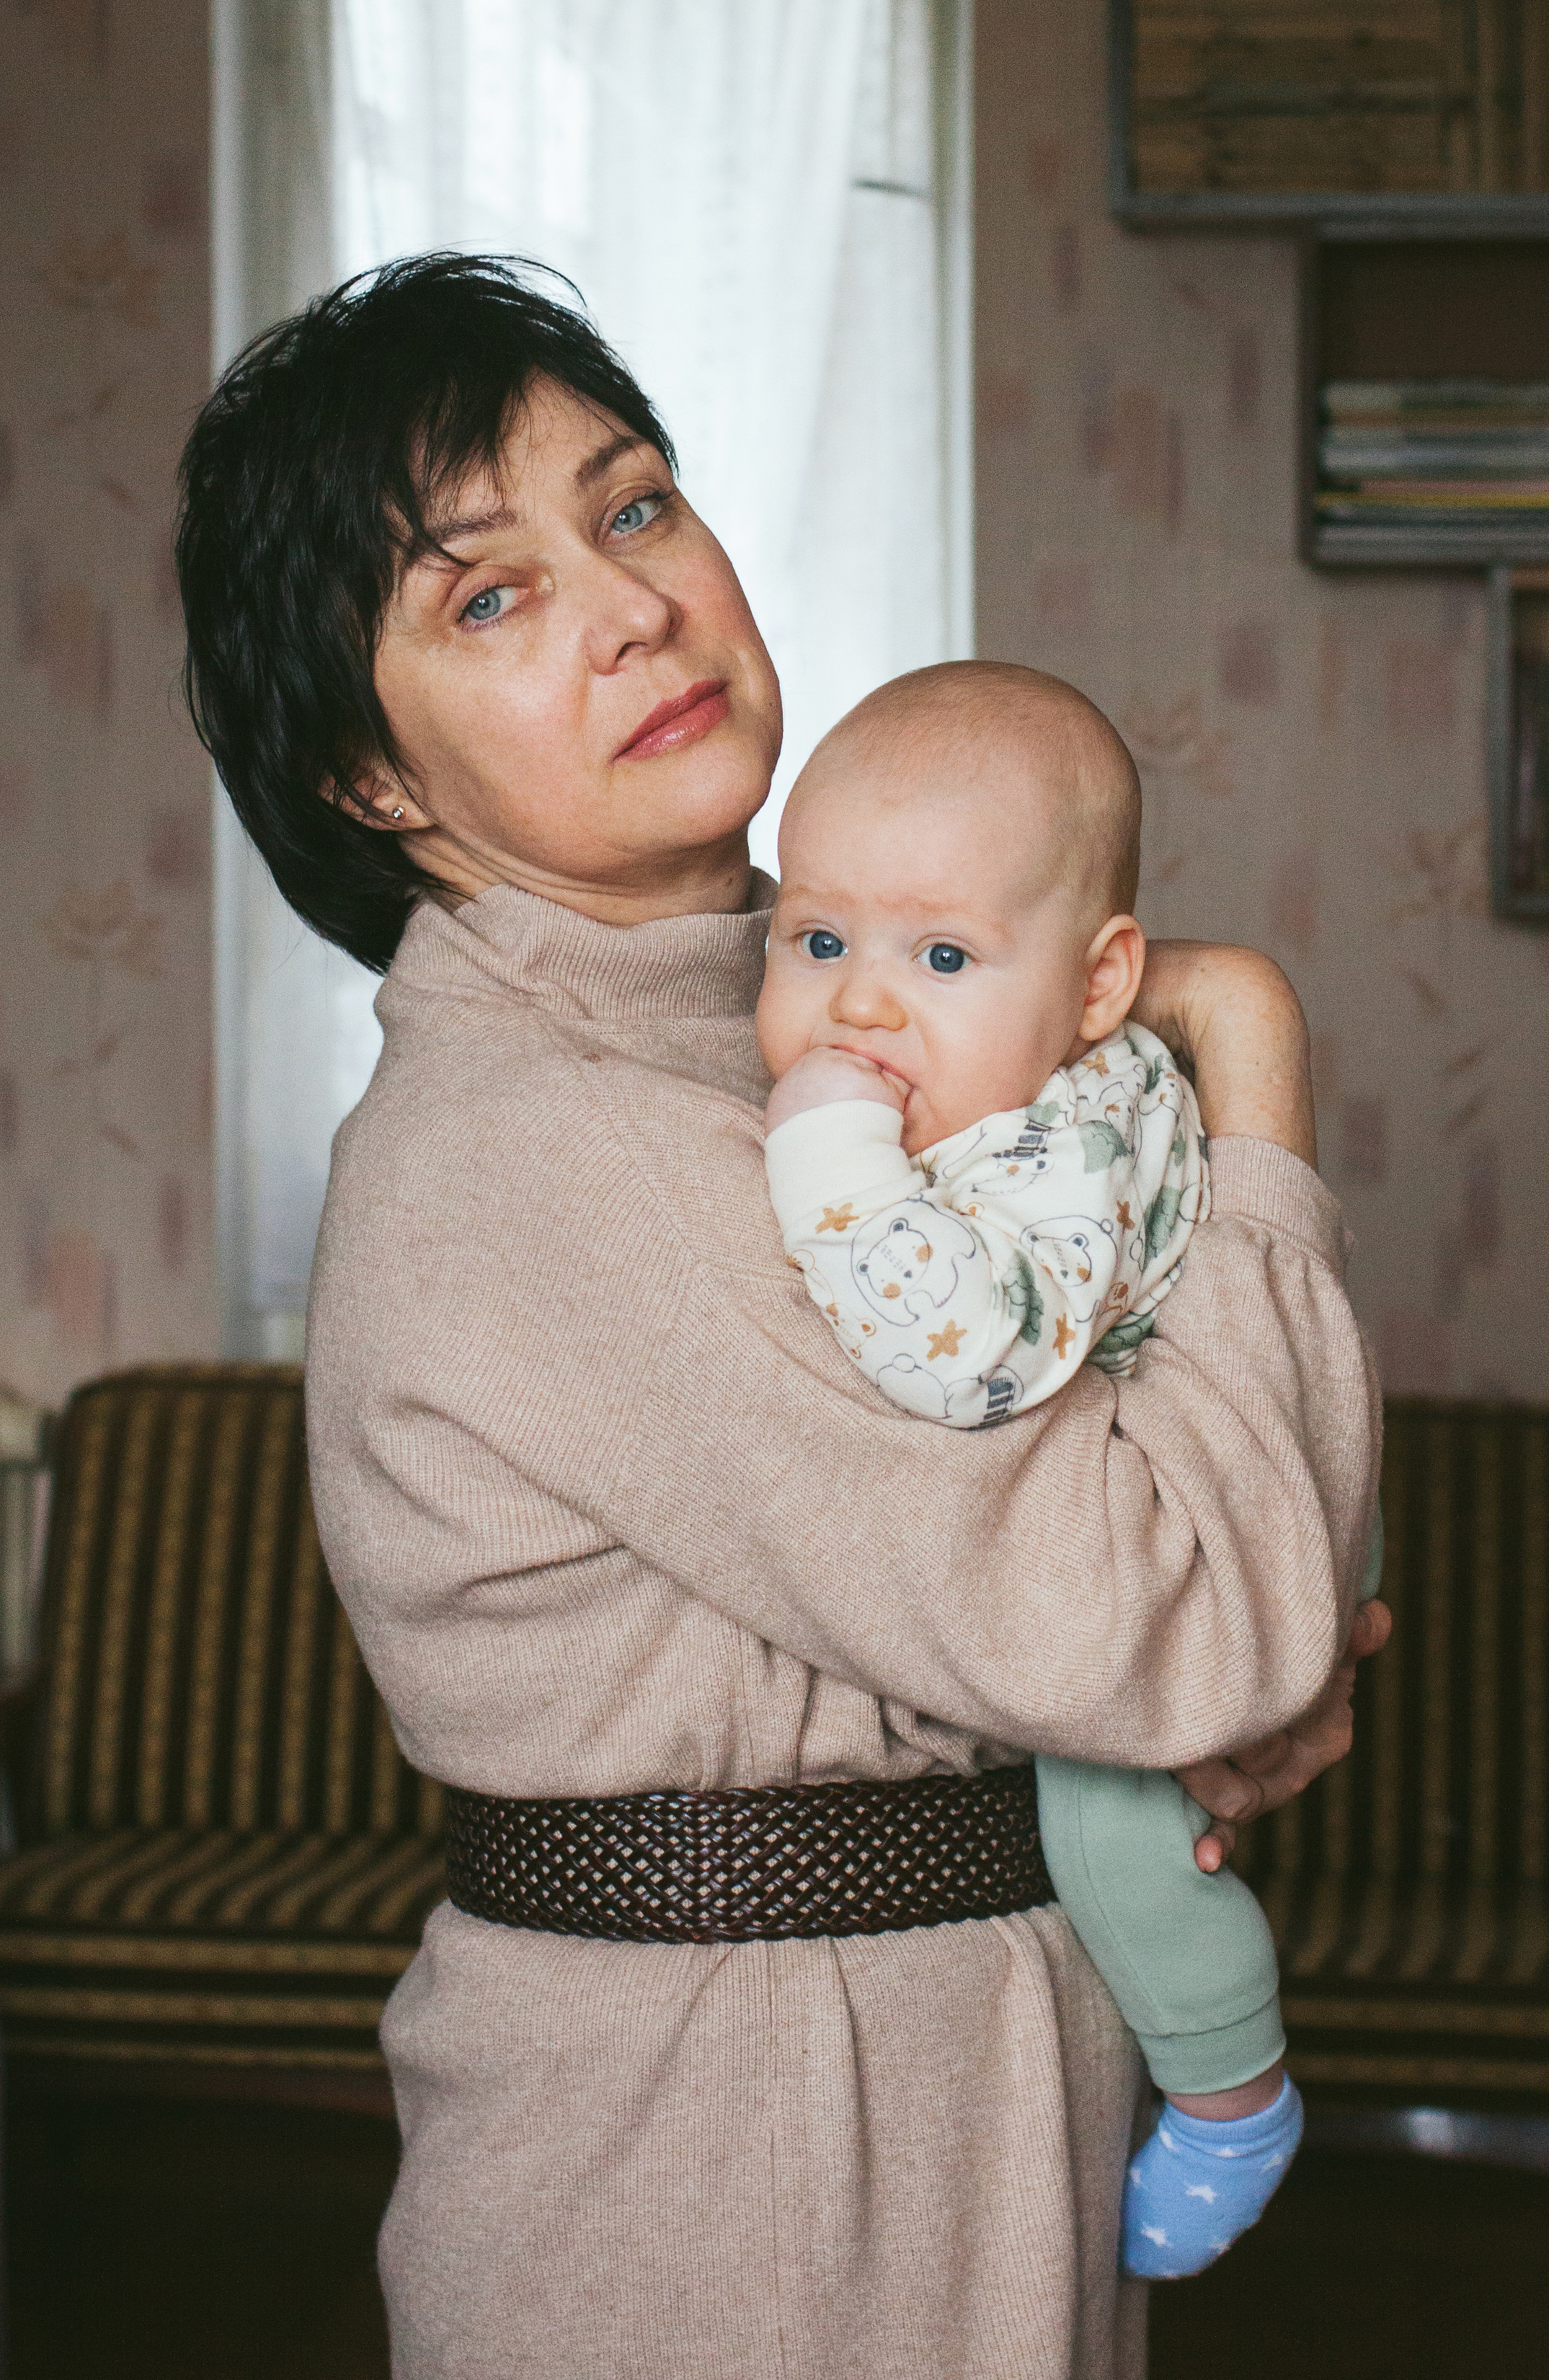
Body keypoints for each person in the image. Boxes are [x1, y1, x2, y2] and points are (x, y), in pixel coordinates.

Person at [174, 253, 1387, 2380]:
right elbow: (1185, 1615)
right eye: (488, 596)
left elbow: (1211, 1592)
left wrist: (1173, 1675)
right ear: (371, 782)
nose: (633, 603)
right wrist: (1249, 1048)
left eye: (632, 507)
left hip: (936, 2087)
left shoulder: (829, 1043)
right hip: (737, 2181)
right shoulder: (552, 1148)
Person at [755, 663, 1384, 2281]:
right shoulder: (1008, 1088)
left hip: (1260, 1500)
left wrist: (824, 1151)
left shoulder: (1053, 1144)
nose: (860, 1008)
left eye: (941, 956)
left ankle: (1232, 2086)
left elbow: (971, 1355)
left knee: (1105, 1824)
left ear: (1103, 984)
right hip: (1237, 1462)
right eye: (815, 940)